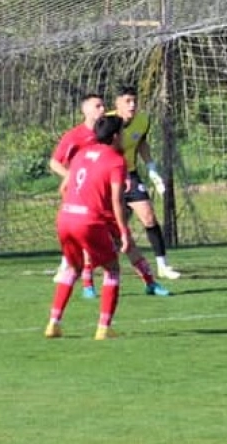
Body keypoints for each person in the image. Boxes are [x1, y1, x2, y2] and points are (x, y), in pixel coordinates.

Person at [50, 93, 170, 298]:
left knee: (127, 242)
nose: (102, 109)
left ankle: (150, 281)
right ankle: (88, 286)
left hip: (107, 199)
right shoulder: (76, 137)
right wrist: (74, 184)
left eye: (103, 105)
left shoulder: (108, 137)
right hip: (92, 205)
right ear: (85, 110)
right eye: (97, 106)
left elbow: (115, 166)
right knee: (96, 245)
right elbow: (56, 165)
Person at [46, 115, 130, 340]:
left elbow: (64, 188)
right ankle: (104, 327)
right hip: (88, 221)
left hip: (65, 216)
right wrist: (124, 231)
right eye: (122, 133)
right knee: (112, 269)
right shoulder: (116, 160)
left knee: (72, 268)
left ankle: (54, 323)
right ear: (114, 136)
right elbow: (116, 200)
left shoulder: (82, 154)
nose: (123, 137)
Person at [109, 86, 181, 281]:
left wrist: (151, 169)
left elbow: (141, 142)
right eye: (127, 101)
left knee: (149, 217)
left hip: (130, 175)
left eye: (134, 101)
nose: (132, 105)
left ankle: (163, 266)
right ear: (117, 104)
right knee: (103, 225)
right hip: (108, 178)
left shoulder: (142, 120)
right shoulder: (107, 121)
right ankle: (70, 263)